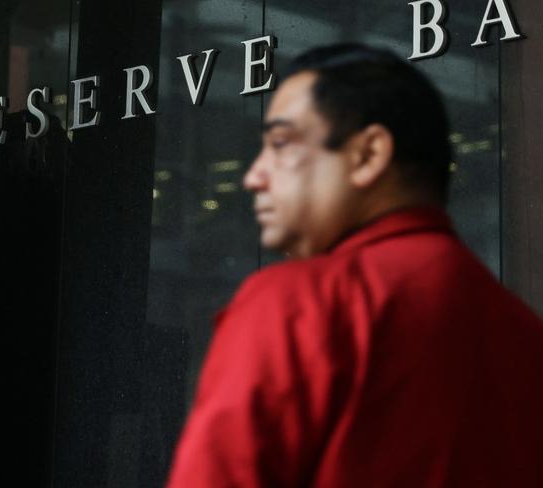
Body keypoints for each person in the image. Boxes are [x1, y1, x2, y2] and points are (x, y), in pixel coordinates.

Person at [166, 44, 543, 487]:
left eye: (281, 144)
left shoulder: (297, 305)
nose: (254, 176)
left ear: (368, 155)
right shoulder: (524, 333)